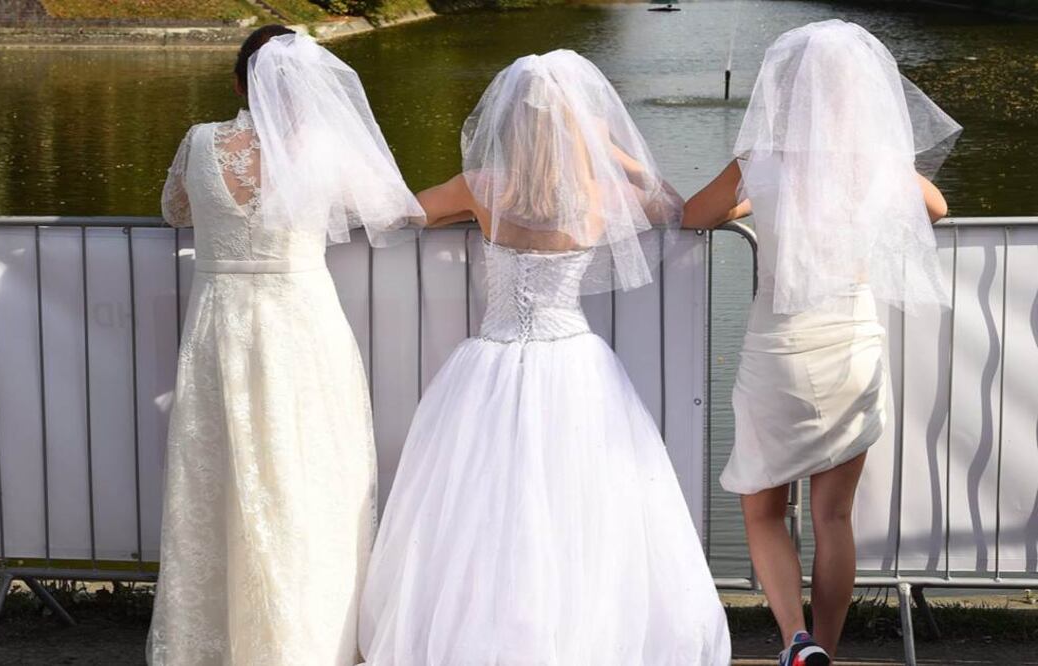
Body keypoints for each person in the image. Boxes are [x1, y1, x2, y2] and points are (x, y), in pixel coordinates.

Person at [358, 49, 730, 665]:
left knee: (484, 511)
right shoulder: (593, 193)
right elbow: (668, 203)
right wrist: (610, 149)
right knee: (580, 507)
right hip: (573, 363)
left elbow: (404, 212)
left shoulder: (484, 187)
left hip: (492, 362)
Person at [682, 20, 961, 666]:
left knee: (762, 512)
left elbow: (694, 214)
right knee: (834, 519)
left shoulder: (761, 161)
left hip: (778, 351)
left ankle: (793, 639)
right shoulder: (874, 162)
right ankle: (826, 650)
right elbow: (937, 207)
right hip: (850, 348)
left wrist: (750, 205)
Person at [146, 26, 423, 666]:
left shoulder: (199, 142)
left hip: (222, 322)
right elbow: (387, 208)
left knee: (219, 479)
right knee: (310, 476)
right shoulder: (325, 151)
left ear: (239, 82)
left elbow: (173, 210)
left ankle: (209, 644)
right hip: (301, 323)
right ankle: (312, 641)